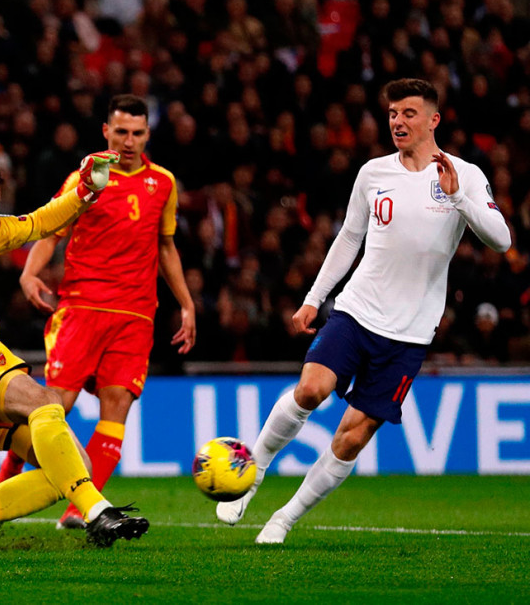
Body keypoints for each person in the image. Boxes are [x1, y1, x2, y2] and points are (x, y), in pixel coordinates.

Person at [216, 78, 511, 544]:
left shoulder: (465, 174)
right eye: (393, 113)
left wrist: (457, 196)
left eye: (409, 113)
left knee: (352, 439)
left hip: (411, 334)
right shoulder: (373, 173)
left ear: (433, 120)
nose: (398, 121)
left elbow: (502, 239)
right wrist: (315, 297)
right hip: (356, 311)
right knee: (311, 390)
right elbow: (349, 238)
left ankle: (284, 518)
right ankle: (251, 476)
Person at [0, 156, 150, 547]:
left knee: (72, 469)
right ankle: (98, 512)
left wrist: (85, 190)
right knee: (45, 400)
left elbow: (42, 220)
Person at [3, 94, 197, 529]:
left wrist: (185, 304)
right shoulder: (88, 176)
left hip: (136, 315)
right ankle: (4, 489)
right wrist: (29, 274)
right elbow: (52, 229)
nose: (129, 141)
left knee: (117, 406)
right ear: (106, 132)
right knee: (54, 407)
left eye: (138, 133)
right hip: (82, 308)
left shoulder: (163, 183)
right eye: (122, 132)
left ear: (148, 134)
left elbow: (166, 247)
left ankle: (78, 512)